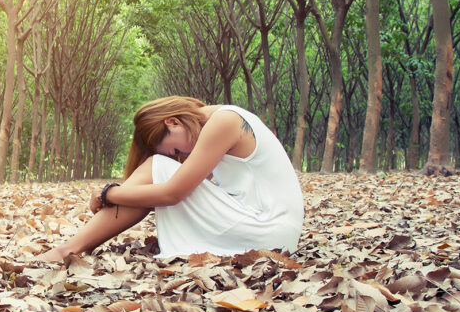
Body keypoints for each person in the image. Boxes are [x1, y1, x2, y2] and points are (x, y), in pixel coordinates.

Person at [40, 96, 304, 262]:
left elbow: (172, 194)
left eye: (176, 151)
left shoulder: (224, 122)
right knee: (158, 170)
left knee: (157, 167)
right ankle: (74, 246)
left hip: (268, 233)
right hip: (270, 229)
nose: (183, 155)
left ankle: (69, 249)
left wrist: (108, 193)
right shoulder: (222, 120)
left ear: (173, 122)